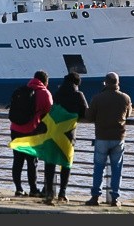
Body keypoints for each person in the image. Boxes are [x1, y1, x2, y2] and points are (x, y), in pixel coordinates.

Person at [84, 72, 132, 207]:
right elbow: (128, 114)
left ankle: (95, 197)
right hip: (118, 138)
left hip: (102, 137)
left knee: (99, 168)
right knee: (117, 169)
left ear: (105, 83)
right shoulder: (125, 98)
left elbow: (89, 117)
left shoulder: (97, 98)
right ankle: (115, 198)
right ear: (118, 83)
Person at [43, 71, 88, 204]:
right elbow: (85, 112)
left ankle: (49, 193)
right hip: (67, 135)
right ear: (77, 83)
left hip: (52, 132)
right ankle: (62, 193)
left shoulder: (57, 94)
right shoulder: (78, 95)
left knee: (50, 163)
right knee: (66, 164)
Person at [10, 70, 53, 197]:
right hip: (31, 131)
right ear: (45, 82)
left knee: (17, 160)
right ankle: (33, 189)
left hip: (15, 129)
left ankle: (18, 188)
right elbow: (50, 112)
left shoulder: (22, 90)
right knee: (32, 162)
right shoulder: (44, 93)